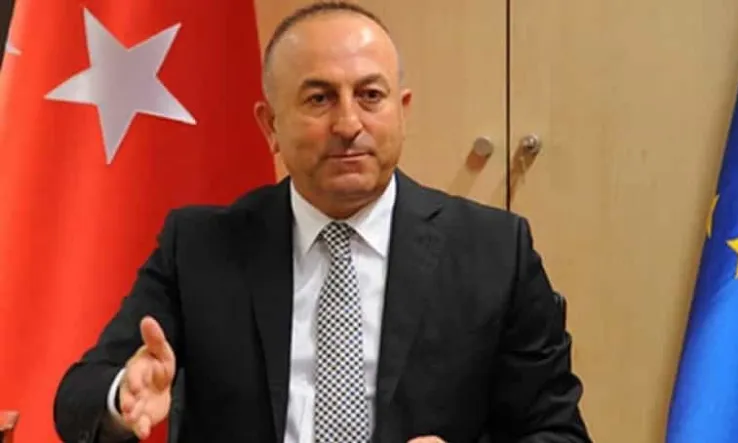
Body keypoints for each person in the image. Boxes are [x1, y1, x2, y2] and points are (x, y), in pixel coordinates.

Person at [53, 2, 591, 442]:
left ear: (402, 110)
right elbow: (79, 395)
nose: (349, 123)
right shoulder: (199, 248)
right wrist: (125, 395)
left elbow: (556, 431)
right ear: (270, 124)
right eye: (319, 98)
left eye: (371, 96)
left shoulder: (494, 252)